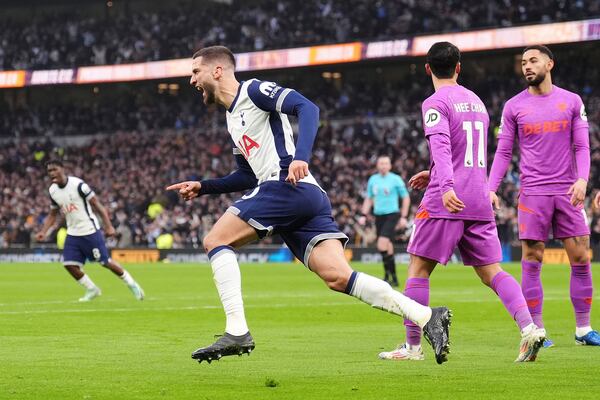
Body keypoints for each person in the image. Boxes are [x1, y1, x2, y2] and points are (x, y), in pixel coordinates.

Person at [166, 45, 451, 364]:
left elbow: (307, 107)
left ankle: (237, 330)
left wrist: (300, 157)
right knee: (339, 277)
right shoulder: (233, 120)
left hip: (286, 186)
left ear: (217, 71)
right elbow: (247, 177)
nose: (191, 80)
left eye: (195, 72)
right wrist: (203, 186)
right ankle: (427, 316)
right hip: (302, 195)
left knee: (215, 240)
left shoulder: (254, 90)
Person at [378, 42, 545, 363]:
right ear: (458, 67)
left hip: (448, 197)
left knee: (418, 268)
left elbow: (441, 145)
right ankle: (530, 328)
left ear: (427, 69)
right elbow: (467, 150)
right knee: (491, 272)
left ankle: (412, 347)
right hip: (478, 196)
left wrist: (444, 184)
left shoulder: (435, 101)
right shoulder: (476, 101)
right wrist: (434, 173)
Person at [488, 45, 599, 347]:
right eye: (523, 62)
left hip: (567, 192)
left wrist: (582, 179)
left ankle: (583, 329)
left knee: (580, 258)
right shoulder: (513, 107)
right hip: (533, 194)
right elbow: (504, 151)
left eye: (533, 60)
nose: (527, 66)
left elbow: (582, 147)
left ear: (550, 64)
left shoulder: (572, 102)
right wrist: (491, 188)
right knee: (532, 260)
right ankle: (536, 330)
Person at [35, 160, 145, 302]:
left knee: (105, 262)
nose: (52, 173)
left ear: (62, 169)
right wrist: (44, 231)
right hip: (73, 233)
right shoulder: (53, 191)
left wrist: (108, 226)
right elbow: (53, 213)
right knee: (69, 265)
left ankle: (132, 284)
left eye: (54, 169)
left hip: (90, 230)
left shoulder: (78, 185)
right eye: (49, 171)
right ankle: (92, 289)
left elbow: (97, 205)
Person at [359, 156, 410, 286]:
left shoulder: (395, 179)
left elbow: (405, 198)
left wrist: (404, 216)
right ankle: (393, 278)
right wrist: (363, 214)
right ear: (377, 165)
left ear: (390, 165)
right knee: (388, 247)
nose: (383, 166)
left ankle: (388, 276)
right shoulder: (373, 179)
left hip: (392, 214)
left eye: (386, 163)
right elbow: (369, 198)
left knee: (381, 244)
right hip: (379, 216)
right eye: (381, 163)